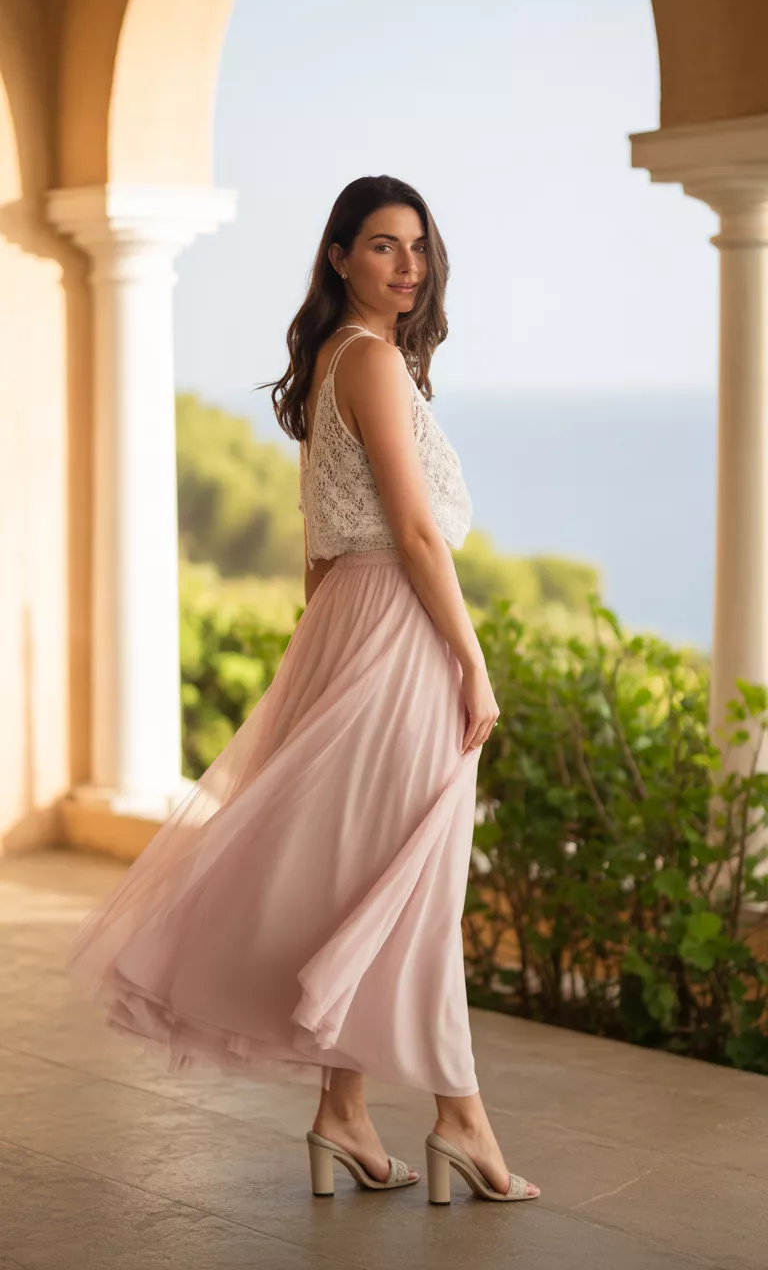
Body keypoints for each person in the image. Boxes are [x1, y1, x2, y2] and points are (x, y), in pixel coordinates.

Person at [67, 174, 539, 1206]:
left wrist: (320, 655)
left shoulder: (342, 360)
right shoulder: (371, 363)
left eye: (417, 245)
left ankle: (344, 1110)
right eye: (381, 245)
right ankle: (459, 1118)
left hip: (352, 627)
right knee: (416, 884)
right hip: (399, 635)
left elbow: (320, 550)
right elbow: (414, 534)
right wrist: (470, 657)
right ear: (337, 257)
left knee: (372, 876)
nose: (407, 264)